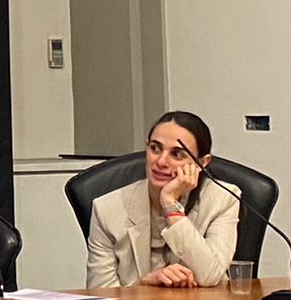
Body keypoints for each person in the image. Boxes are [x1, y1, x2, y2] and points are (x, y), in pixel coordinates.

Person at [86, 110, 239, 288]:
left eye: (177, 154)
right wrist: (142, 286)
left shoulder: (222, 200)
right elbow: (99, 294)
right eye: (155, 149)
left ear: (202, 163)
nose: (161, 161)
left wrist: (169, 203)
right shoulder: (107, 209)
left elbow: (210, 275)